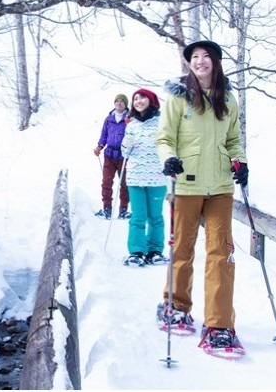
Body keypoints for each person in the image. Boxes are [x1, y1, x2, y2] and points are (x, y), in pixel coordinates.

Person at [156, 40, 249, 351]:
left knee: (221, 254)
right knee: (182, 249)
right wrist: (168, 158)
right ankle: (176, 306)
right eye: (194, 57)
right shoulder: (178, 99)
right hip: (185, 185)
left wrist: (241, 163)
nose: (199, 61)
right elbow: (165, 138)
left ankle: (219, 324)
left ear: (216, 62)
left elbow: (234, 140)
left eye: (206, 57)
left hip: (221, 187)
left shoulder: (229, 100)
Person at [120, 88, 168, 266]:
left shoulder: (162, 123)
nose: (138, 101)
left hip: (156, 177)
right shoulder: (131, 125)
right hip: (135, 178)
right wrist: (127, 142)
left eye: (142, 98)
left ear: (151, 100)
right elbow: (124, 152)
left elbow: (170, 144)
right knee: (138, 216)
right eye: (135, 99)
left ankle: (155, 251)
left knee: (155, 216)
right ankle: (136, 251)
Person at [94, 94, 131, 220]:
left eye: (122, 102)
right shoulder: (108, 119)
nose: (119, 103)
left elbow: (134, 135)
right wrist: (99, 146)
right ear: (114, 103)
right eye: (117, 101)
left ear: (126, 104)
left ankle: (123, 210)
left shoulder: (130, 119)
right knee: (106, 182)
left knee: (125, 184)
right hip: (109, 156)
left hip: (124, 157)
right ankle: (106, 210)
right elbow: (104, 134)